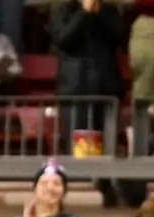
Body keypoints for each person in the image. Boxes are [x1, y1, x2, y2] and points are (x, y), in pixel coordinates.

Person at [49, 0, 128, 150]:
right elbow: (63, 38)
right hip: (76, 89)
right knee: (79, 147)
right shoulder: (62, 9)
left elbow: (121, 36)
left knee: (107, 147)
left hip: (107, 87)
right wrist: (84, 12)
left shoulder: (109, 10)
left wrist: (99, 11)